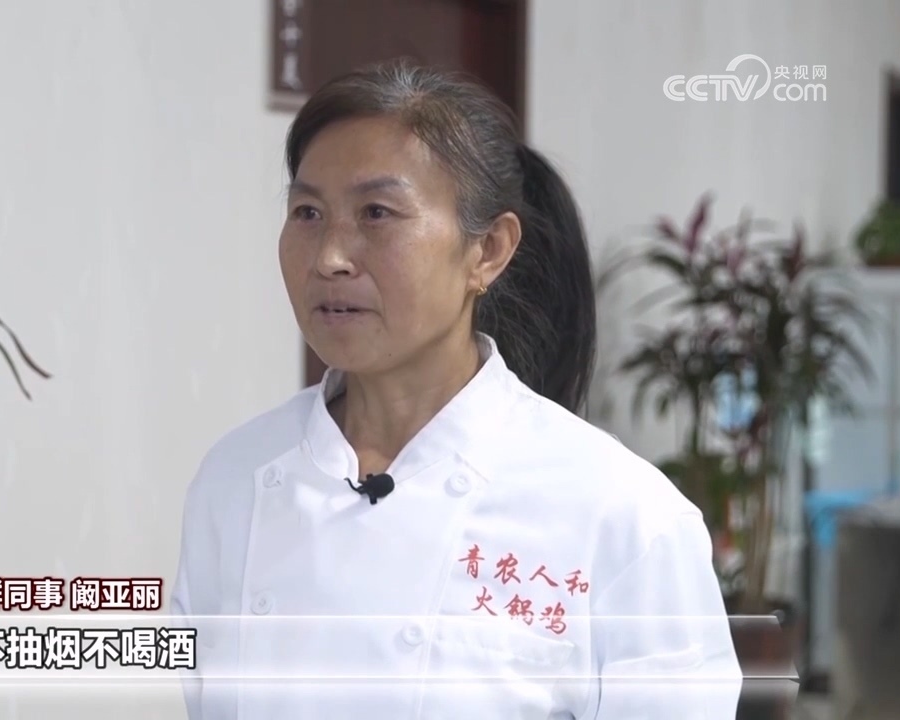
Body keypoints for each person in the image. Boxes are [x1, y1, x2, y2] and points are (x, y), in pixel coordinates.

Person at [170, 59, 741, 719]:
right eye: (307, 212)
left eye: (377, 213)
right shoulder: (236, 477)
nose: (329, 257)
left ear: (488, 250)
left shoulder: (622, 515)